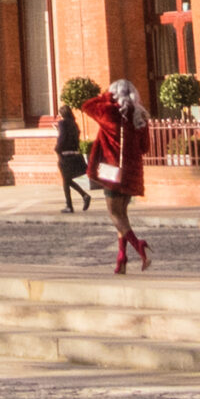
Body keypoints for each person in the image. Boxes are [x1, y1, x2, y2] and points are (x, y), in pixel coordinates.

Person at [76, 79, 151, 273]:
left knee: (115, 214)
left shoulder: (110, 113)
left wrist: (106, 96)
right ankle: (121, 259)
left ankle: (139, 245)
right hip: (132, 174)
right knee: (123, 215)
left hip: (112, 171)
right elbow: (145, 148)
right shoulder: (140, 116)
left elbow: (87, 105)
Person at [54, 102, 92, 213]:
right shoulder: (74, 124)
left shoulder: (62, 123)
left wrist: (57, 149)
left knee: (66, 180)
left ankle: (70, 205)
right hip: (74, 153)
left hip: (65, 154)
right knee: (67, 179)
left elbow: (62, 138)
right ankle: (82, 197)